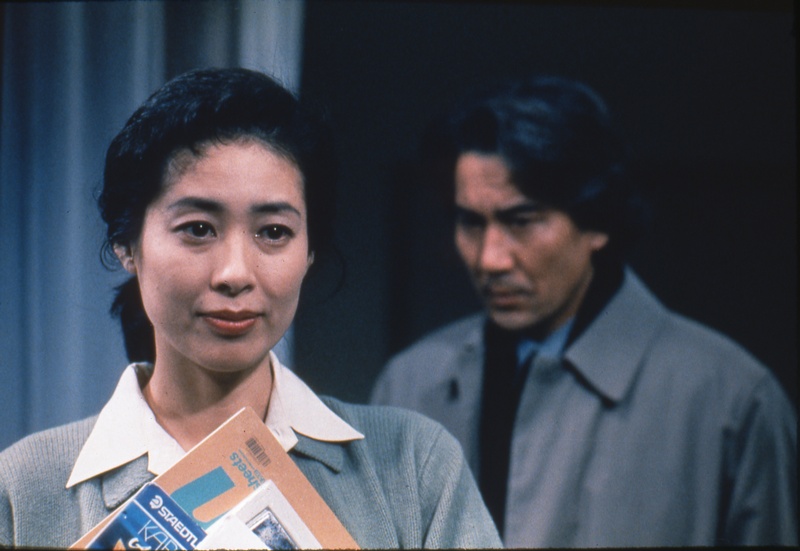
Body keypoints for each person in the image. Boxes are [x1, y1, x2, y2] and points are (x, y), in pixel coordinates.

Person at [0, 67, 502, 549]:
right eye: (198, 229)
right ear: (127, 244)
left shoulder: (413, 467)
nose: (235, 273)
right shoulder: (24, 490)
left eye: (273, 232)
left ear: (309, 251)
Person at [371, 75, 797, 547]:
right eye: (470, 222)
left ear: (597, 222)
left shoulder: (729, 402)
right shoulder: (409, 384)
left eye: (521, 221)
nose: (490, 258)